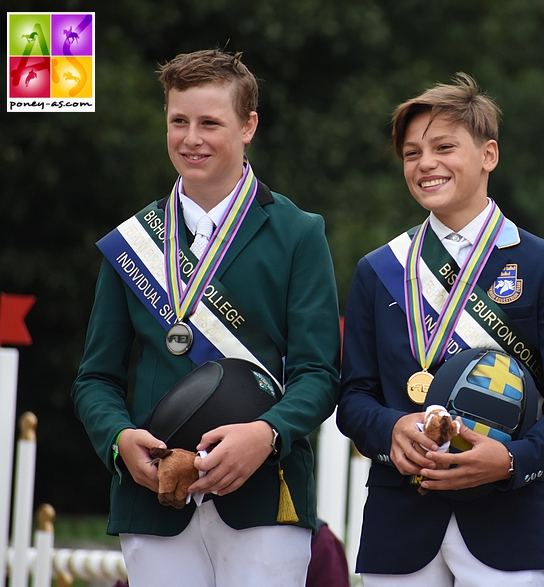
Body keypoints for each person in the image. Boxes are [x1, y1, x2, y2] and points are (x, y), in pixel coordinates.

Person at [71, 49, 340, 587]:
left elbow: (319, 375)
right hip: (153, 500)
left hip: (264, 492)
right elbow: (94, 380)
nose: (191, 138)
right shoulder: (132, 241)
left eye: (209, 123)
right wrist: (121, 440)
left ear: (248, 126)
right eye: (178, 121)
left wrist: (266, 434)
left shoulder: (298, 233)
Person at [336, 72, 544, 586]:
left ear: (489, 155)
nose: (425, 163)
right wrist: (390, 430)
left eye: (444, 146)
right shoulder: (378, 269)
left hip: (509, 520)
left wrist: (511, 460)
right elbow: (354, 399)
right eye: (411, 153)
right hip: (399, 524)